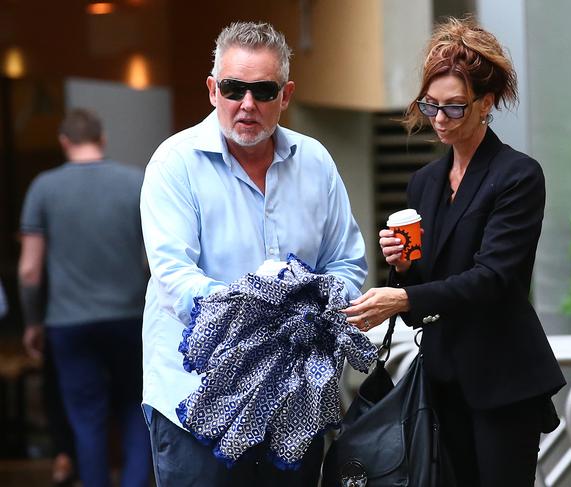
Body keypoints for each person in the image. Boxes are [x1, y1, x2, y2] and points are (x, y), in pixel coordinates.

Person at [139, 21, 366, 487]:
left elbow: (347, 263)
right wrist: (270, 310)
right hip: (198, 404)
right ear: (212, 90)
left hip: (293, 406)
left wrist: (317, 304)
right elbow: (175, 279)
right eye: (233, 88)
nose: (247, 104)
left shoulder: (316, 161)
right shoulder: (174, 163)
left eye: (263, 90)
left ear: (285, 96)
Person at [342, 17, 566, 487]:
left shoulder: (517, 176)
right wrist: (401, 269)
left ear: (486, 104)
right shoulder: (423, 183)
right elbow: (420, 299)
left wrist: (402, 298)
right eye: (431, 106)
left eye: (454, 108)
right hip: (442, 381)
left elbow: (493, 278)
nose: (439, 119)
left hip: (504, 379)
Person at [19, 108, 152, 487]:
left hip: (68, 323)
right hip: (130, 318)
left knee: (86, 419)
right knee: (134, 410)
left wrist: (32, 322)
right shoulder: (135, 183)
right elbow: (154, 259)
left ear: (64, 142)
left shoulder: (43, 188)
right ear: (102, 138)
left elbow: (29, 270)